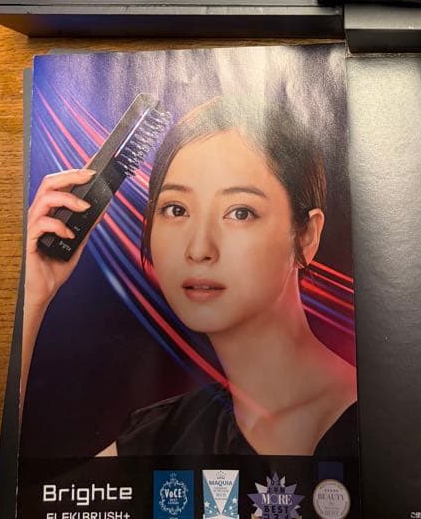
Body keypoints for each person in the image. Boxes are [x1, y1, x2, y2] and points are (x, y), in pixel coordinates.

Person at [21, 96, 357, 457]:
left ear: (305, 236)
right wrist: (34, 293)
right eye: (176, 209)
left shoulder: (373, 419)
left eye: (240, 213)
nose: (199, 249)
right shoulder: (166, 437)